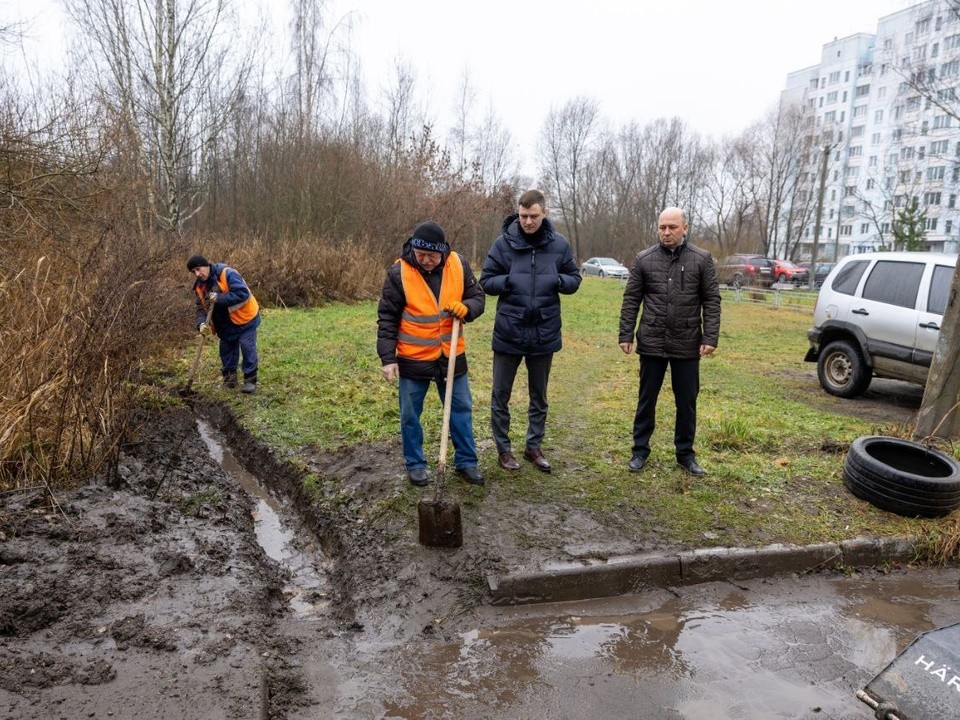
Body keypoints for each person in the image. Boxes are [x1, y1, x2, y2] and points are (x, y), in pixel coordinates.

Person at [479, 189, 582, 473]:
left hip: (544, 331)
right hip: (509, 331)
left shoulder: (559, 245)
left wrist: (557, 280)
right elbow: (486, 281)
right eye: (523, 216)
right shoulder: (503, 244)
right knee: (501, 395)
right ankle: (503, 450)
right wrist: (508, 281)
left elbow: (575, 279)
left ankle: (533, 447)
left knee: (540, 396)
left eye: (533, 216)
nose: (527, 221)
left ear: (544, 213)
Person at [377, 221, 486, 487]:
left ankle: (467, 462)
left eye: (432, 256)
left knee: (461, 409)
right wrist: (388, 359)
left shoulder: (458, 264)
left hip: (451, 355)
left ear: (443, 252)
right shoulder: (398, 273)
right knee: (410, 414)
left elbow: (478, 297)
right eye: (420, 254)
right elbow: (388, 318)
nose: (425, 260)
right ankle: (415, 464)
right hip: (413, 358)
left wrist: (467, 307)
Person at [618, 207, 721, 477]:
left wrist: (710, 336)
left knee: (686, 401)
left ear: (684, 228)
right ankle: (640, 450)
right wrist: (625, 334)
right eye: (662, 227)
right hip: (651, 341)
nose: (666, 232)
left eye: (672, 227)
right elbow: (631, 299)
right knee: (646, 399)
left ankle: (685, 454)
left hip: (687, 343)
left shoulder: (702, 259)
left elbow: (711, 300)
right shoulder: (644, 259)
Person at [187, 254, 261, 394]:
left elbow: (242, 293)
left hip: (245, 319)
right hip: (225, 324)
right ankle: (229, 380)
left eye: (198, 269)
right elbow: (200, 308)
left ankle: (250, 381)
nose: (197, 274)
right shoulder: (199, 287)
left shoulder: (227, 274)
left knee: (247, 347)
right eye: (193, 272)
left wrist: (219, 298)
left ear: (206, 265)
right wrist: (201, 323)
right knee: (226, 351)